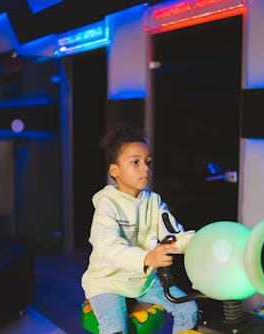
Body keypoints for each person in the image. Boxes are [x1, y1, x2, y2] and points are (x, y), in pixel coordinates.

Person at [81, 126, 199, 334]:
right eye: (135, 162)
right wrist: (147, 258)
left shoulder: (153, 201)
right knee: (115, 329)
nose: (145, 168)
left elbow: (174, 235)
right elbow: (107, 246)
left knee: (189, 309)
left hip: (144, 282)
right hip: (107, 282)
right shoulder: (107, 204)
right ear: (114, 170)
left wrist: (201, 241)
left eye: (148, 162)